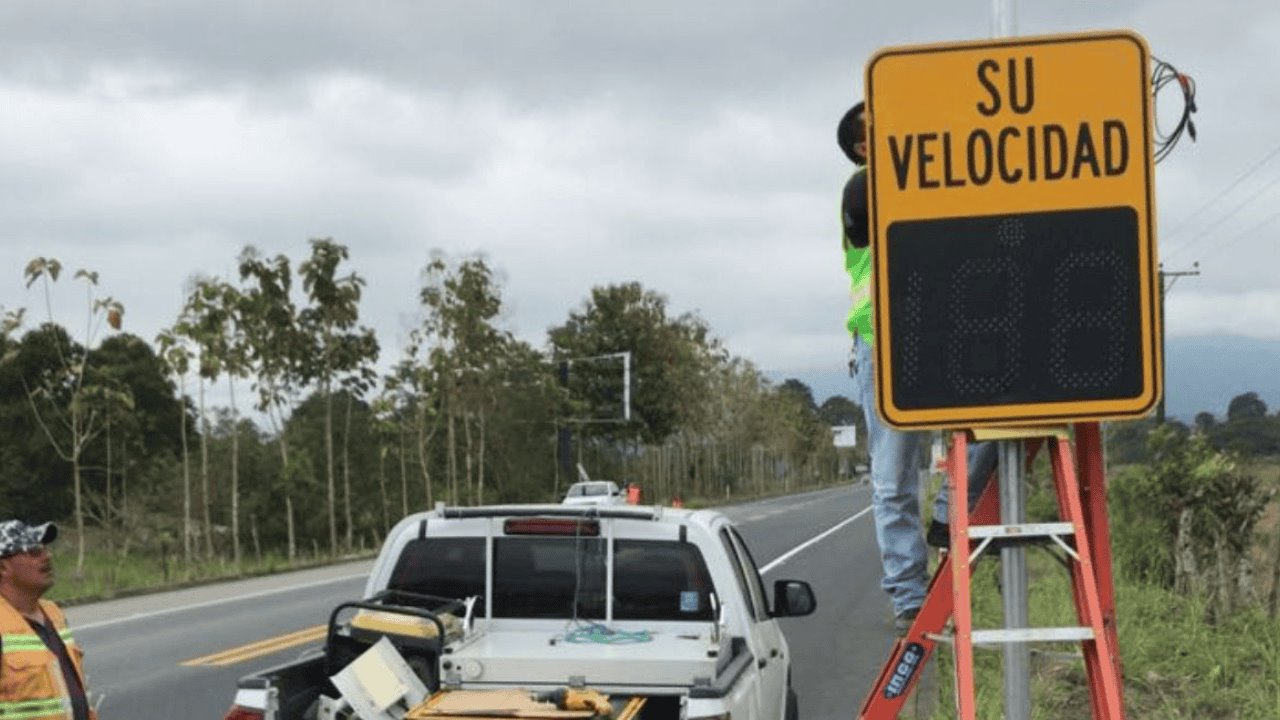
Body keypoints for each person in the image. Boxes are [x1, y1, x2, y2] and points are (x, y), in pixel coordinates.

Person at [837, 102, 998, 635]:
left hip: (944, 332)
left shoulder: (935, 180)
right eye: (877, 125)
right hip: (882, 339)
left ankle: (950, 510)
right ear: (863, 147)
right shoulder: (861, 188)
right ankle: (909, 596)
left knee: (999, 424)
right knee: (893, 475)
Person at [0, 520, 95, 720]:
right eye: (34, 551)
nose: (47, 556)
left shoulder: (54, 614)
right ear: (3, 568)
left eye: (45, 549)